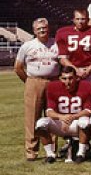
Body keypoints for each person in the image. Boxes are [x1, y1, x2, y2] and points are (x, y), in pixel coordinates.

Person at [14, 18, 59, 161]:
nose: (42, 30)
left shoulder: (56, 44)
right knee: (32, 117)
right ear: (34, 31)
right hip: (34, 81)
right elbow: (18, 67)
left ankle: (51, 151)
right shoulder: (27, 46)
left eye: (44, 28)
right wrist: (28, 81)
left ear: (48, 28)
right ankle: (31, 151)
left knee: (52, 117)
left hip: (53, 81)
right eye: (39, 29)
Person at [34, 65, 91, 163]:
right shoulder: (53, 86)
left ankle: (81, 153)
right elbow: (49, 111)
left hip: (77, 122)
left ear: (76, 77)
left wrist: (72, 117)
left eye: (71, 78)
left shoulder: (85, 86)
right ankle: (50, 155)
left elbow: (88, 110)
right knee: (40, 124)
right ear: (60, 78)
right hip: (61, 123)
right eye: (64, 79)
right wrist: (62, 117)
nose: (68, 82)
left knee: (84, 121)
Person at [56, 9, 91, 80]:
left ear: (88, 20)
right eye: (77, 19)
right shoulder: (63, 33)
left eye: (83, 19)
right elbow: (62, 58)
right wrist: (76, 70)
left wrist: (88, 71)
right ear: (73, 20)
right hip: (72, 71)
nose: (80, 22)